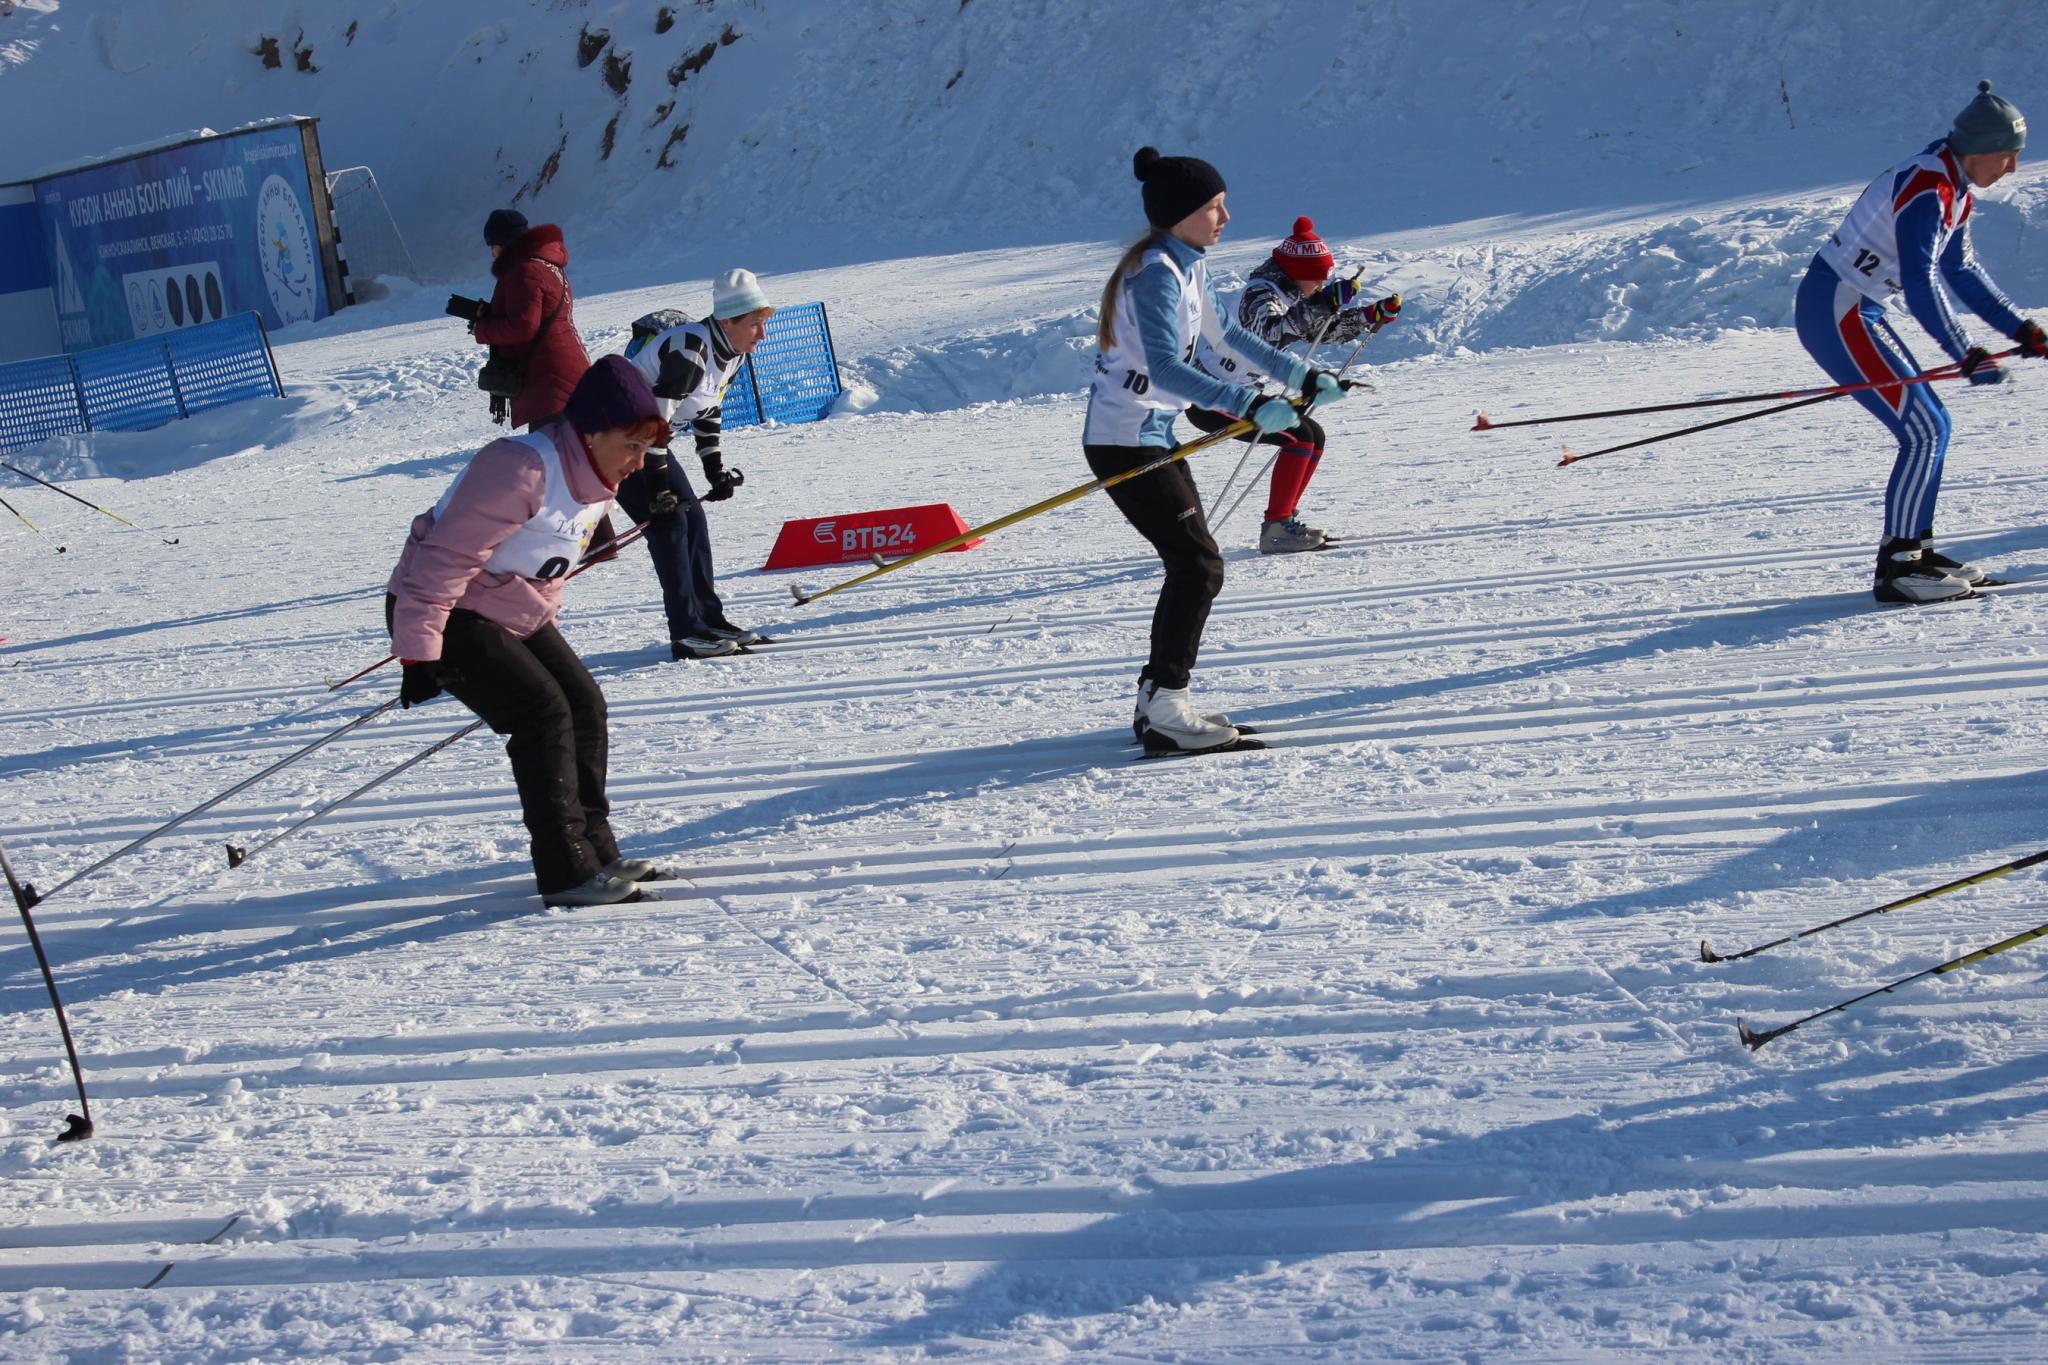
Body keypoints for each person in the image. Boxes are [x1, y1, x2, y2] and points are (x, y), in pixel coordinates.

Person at [1085, 146, 1347, 755]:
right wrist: (1249, 405)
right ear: (1180, 213)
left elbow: (1226, 335)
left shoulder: (1186, 264)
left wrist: (1302, 378)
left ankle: (1159, 701)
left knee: (1193, 564)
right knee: (1197, 565)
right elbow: (1165, 367)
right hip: (1124, 440)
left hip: (1147, 434)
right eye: (1214, 207)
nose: (1226, 217)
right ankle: (1167, 706)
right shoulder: (1156, 274)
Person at [386, 357, 670, 908]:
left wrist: (546, 638)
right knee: (543, 712)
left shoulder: (595, 478)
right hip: (448, 608)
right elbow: (442, 561)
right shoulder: (522, 468)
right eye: (631, 446)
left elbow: (548, 566)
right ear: (591, 432)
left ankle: (596, 850)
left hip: (509, 606)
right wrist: (419, 655)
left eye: (645, 449)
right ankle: (566, 871)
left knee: (584, 702)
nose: (639, 462)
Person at [1795, 81, 2045, 604]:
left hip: (1858, 308)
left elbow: (1962, 268)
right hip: (1837, 308)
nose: (2012, 170)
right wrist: (1965, 352)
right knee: (1924, 428)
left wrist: (2019, 330)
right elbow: (1922, 278)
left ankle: (1916, 554)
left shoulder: (1951, 186)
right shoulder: (1930, 188)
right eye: (2007, 157)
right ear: (1980, 151)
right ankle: (1900, 567)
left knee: (1934, 425)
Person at [1186, 216, 1401, 554]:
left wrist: (1368, 316)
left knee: (1313, 434)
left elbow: (1316, 330)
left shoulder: (1286, 295)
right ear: (1297, 271)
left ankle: (1282, 521)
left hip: (1238, 394)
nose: (1322, 282)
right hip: (1211, 397)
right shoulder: (1259, 295)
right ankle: (1276, 528)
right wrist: (1323, 302)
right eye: (1318, 276)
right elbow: (1272, 333)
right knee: (1297, 436)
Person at [613, 268, 774, 660]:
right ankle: (685, 632)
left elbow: (707, 410)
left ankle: (708, 618)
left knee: (694, 521)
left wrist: (713, 469)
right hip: (611, 439)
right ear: (727, 321)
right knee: (671, 525)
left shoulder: (732, 353)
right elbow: (655, 423)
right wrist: (658, 487)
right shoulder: (690, 349)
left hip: (644, 438)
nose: (762, 335)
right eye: (753, 325)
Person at [469, 209, 591, 430]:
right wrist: (491, 314)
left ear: (505, 243)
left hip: (550, 379)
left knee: (553, 458)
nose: (492, 253)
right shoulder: (548, 266)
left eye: (493, 245)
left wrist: (482, 328)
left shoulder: (524, 271)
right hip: (564, 370)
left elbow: (524, 326)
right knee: (565, 456)